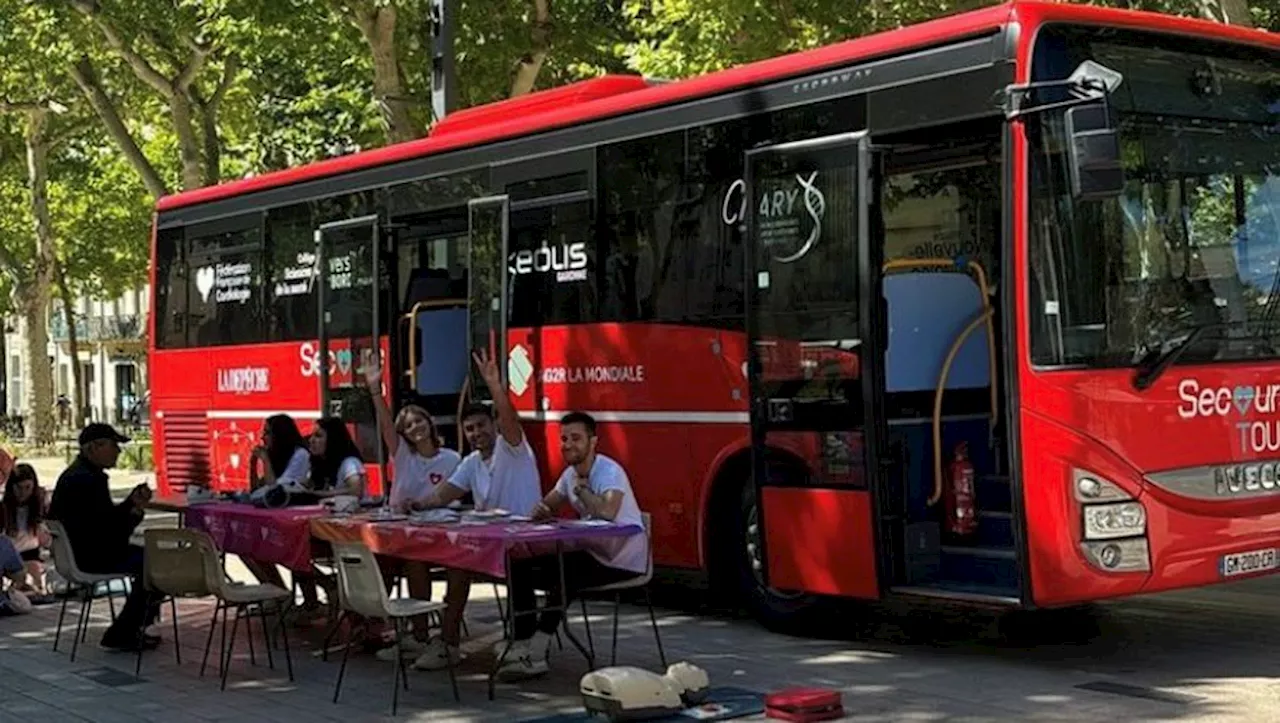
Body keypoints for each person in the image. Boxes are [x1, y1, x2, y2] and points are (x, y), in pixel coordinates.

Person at [407, 348, 542, 671]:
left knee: (460, 562)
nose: (477, 433)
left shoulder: (513, 450)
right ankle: (446, 643)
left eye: (481, 426)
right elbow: (443, 494)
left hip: (527, 543)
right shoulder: (470, 462)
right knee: (450, 559)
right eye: (470, 430)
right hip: (491, 544)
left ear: (493, 426)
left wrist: (495, 385)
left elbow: (510, 420)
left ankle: (459, 642)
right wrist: (415, 505)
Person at [503, 411, 647, 678]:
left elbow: (608, 511)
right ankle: (521, 640)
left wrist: (582, 491)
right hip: (593, 552)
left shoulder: (609, 471)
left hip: (623, 559)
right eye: (564, 439)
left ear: (593, 442)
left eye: (576, 438)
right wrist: (541, 510)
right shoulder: (569, 475)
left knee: (567, 570)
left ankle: (538, 649)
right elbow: (549, 502)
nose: (568, 444)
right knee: (518, 563)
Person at [365, 362, 462, 662]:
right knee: (372, 561)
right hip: (398, 535)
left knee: (415, 563)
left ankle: (421, 635)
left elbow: (457, 498)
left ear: (429, 423)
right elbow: (383, 423)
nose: (415, 428)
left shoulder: (453, 458)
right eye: (408, 426)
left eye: (419, 421)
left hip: (434, 534)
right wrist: (374, 389)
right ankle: (376, 628)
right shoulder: (404, 456)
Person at [47, 423, 160, 652]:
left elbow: (104, 521)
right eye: (113, 445)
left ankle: (131, 628)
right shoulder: (89, 480)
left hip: (80, 553)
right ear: (94, 448)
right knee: (157, 565)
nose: (118, 451)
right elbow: (109, 533)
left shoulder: (76, 474)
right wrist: (134, 513)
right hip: (92, 556)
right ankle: (125, 631)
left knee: (150, 559)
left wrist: (130, 504)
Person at [242, 415, 316, 604]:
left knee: (292, 552)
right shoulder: (276, 455)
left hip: (295, 520)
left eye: (267, 432)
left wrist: (265, 460)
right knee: (246, 547)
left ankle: (312, 598)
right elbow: (257, 491)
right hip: (276, 518)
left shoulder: (300, 455)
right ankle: (279, 592)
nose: (263, 438)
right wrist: (253, 464)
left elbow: (275, 489)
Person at [1, 464, 52, 599]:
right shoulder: (4, 508)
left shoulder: (39, 505)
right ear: (12, 487)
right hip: (11, 555)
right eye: (19, 488)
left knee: (34, 573)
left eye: (28, 488)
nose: (23, 493)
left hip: (31, 553)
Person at [309, 417, 368, 499]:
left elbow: (356, 491)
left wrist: (320, 494)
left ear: (333, 439)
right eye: (311, 436)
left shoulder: (350, 463)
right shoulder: (320, 464)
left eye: (318, 436)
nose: (311, 440)